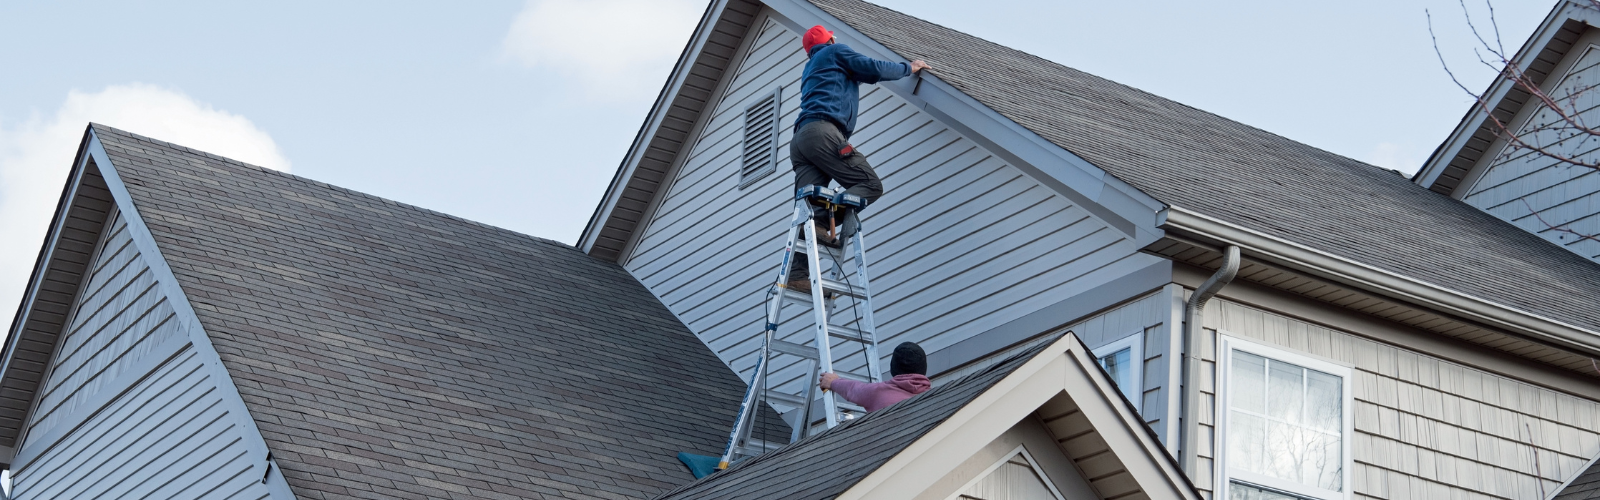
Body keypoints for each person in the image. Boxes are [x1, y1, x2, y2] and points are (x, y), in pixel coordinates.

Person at [786, 25, 931, 293]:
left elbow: (855, 75)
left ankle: (796, 273)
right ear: (830, 40)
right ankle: (825, 223)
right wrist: (907, 68)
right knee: (870, 185)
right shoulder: (836, 52)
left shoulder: (812, 68)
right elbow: (872, 67)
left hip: (800, 140)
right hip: (823, 132)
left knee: (808, 208)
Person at [818, 342, 931, 412]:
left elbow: (853, 389)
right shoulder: (933, 397)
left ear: (893, 367)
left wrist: (833, 382)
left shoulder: (879, 393)